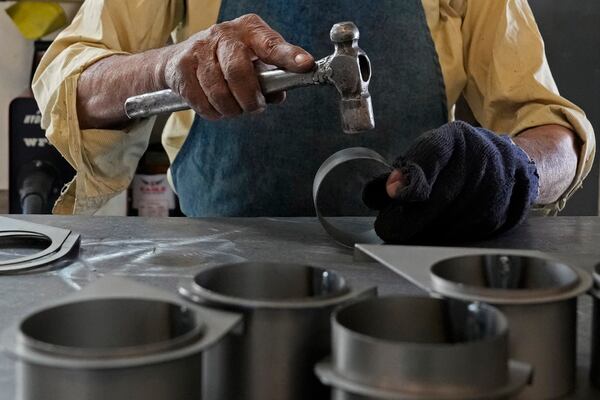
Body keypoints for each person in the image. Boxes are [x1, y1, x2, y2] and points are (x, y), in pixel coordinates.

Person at [33, 0, 595, 243]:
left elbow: (551, 126)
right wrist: (169, 66)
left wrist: (513, 167)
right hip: (220, 266)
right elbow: (67, 82)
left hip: (410, 268)